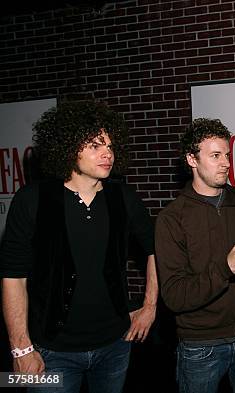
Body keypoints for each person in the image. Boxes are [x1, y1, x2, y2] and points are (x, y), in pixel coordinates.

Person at [0, 100, 158, 393]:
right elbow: (13, 276)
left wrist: (149, 306)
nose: (107, 153)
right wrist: (20, 350)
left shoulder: (123, 196)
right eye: (95, 145)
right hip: (50, 352)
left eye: (110, 146)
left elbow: (155, 249)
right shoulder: (32, 199)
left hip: (115, 345)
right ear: (69, 147)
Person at [155, 118, 235, 393]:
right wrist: (225, 268)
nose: (225, 162)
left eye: (226, 155)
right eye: (215, 155)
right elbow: (174, 295)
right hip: (202, 346)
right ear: (192, 159)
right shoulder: (172, 218)